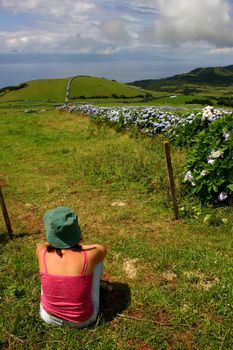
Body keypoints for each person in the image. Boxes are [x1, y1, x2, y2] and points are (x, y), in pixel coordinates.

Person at [36, 206, 107, 327]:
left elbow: (43, 244)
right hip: (83, 321)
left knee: (46, 271)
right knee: (97, 262)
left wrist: (56, 241)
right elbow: (102, 249)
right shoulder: (89, 255)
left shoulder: (41, 252)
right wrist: (78, 246)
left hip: (48, 317)